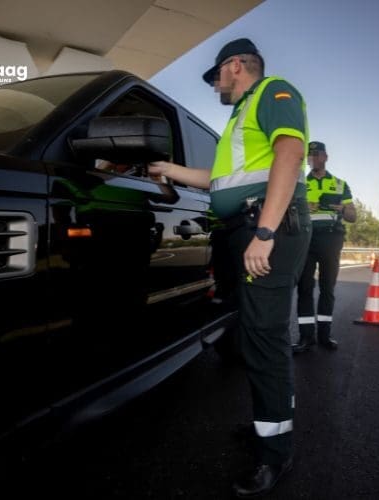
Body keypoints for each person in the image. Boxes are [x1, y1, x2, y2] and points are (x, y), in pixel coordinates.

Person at [148, 37, 311, 498]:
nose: (214, 83)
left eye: (216, 74)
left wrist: (265, 233)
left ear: (235, 65)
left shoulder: (274, 92)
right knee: (256, 335)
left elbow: (289, 154)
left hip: (266, 227)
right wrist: (168, 169)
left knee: (264, 336)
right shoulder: (239, 118)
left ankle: (276, 452)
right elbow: (219, 182)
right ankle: (269, 429)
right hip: (245, 225)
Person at [292, 141, 357, 353]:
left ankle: (324, 335)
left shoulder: (340, 184)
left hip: (331, 239)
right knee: (304, 288)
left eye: (316, 154)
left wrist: (342, 209)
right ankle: (306, 337)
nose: (312, 158)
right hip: (306, 238)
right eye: (309, 155)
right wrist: (302, 206)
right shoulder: (299, 182)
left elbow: (353, 216)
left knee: (327, 288)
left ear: (325, 157)